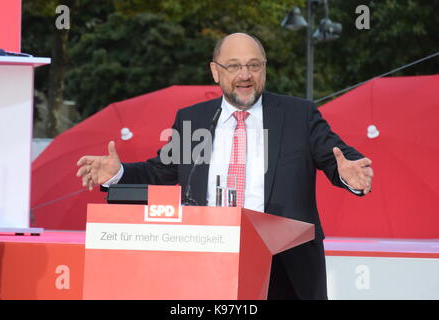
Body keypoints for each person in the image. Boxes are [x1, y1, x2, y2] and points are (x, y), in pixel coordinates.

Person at [76, 32, 373, 299]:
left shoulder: (298, 115)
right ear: (216, 72)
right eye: (234, 66)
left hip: (286, 265)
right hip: (209, 262)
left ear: (264, 70)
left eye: (254, 65)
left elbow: (337, 158)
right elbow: (161, 172)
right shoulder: (195, 121)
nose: (245, 75)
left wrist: (349, 174)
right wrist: (118, 174)